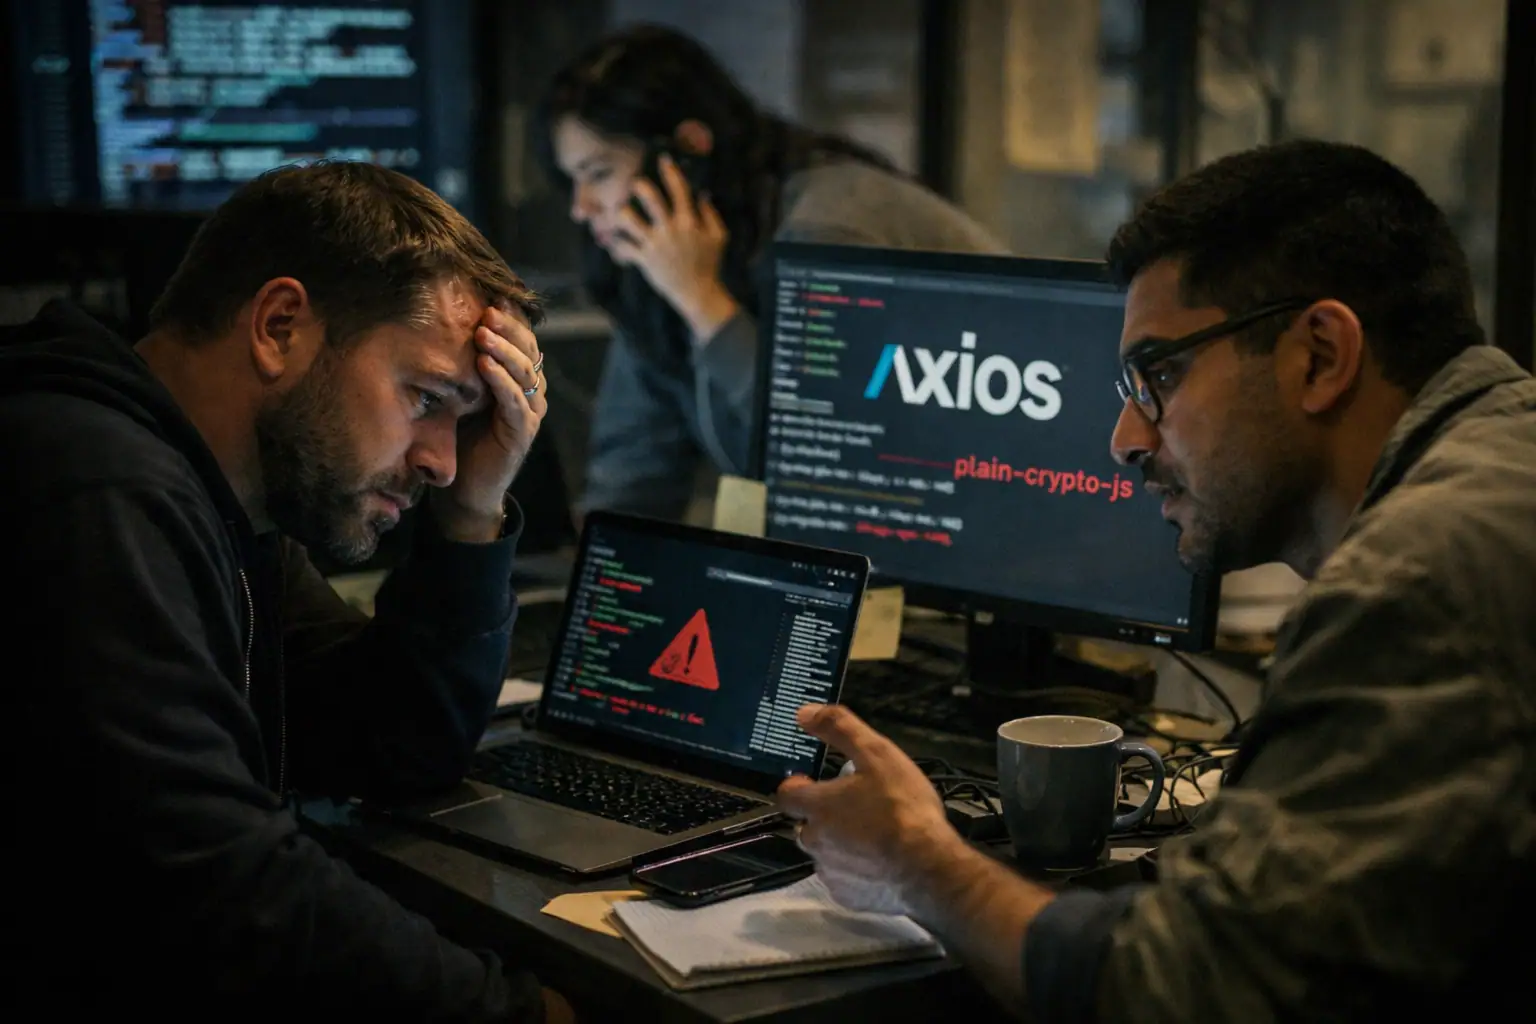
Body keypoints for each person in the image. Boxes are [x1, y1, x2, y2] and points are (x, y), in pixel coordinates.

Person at [775, 139, 1536, 1020]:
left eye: (1160, 375)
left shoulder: (1417, 585)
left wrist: (917, 862)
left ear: (1321, 355)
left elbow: (1185, 994)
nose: (1126, 439)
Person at [0, 162, 574, 1022]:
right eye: (425, 398)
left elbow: (391, 743)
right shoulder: (95, 489)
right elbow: (217, 886)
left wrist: (472, 514)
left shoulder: (227, 508)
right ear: (278, 326)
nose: (442, 460)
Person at [531, 24, 1004, 521]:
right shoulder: (661, 267)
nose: (581, 209)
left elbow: (830, 456)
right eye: (572, 181)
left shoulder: (830, 224)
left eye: (599, 174)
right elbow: (633, 483)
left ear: (688, 150)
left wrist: (703, 302)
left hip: (976, 531)